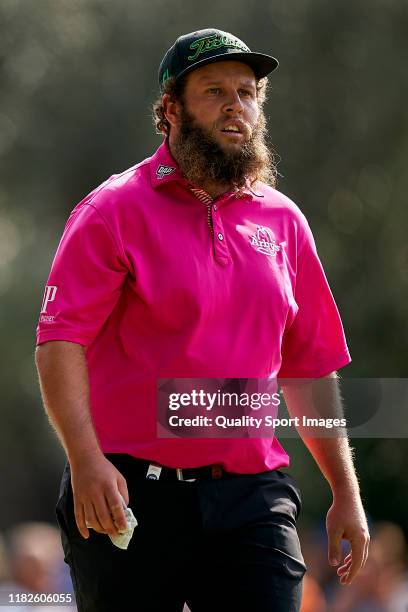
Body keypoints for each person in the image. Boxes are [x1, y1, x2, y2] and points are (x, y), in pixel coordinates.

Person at [35, 28, 370, 612]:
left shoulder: (285, 221)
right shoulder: (112, 210)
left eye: (247, 92)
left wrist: (345, 490)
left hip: (250, 498)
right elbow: (60, 340)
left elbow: (310, 364)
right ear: (170, 111)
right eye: (214, 91)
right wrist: (86, 461)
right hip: (129, 493)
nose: (235, 105)